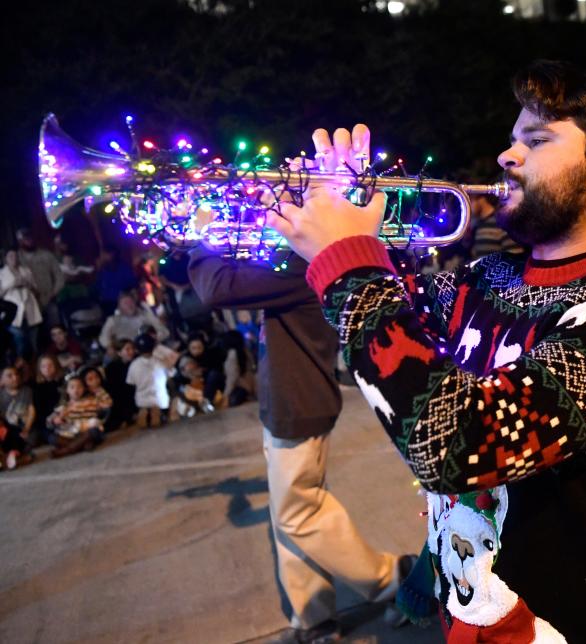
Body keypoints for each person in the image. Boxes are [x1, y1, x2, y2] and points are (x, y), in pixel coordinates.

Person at [269, 60, 586, 643]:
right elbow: (386, 344)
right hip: (475, 606)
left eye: (537, 140)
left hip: (577, 618)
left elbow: (457, 444)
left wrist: (349, 259)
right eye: (513, 138)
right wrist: (339, 217)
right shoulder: (488, 276)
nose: (506, 156)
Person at [189, 236, 412, 644]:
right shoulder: (290, 259)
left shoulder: (297, 262)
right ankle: (314, 616)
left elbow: (216, 288)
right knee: (287, 514)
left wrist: (202, 240)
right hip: (286, 399)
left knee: (299, 514)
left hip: (298, 400)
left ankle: (394, 577)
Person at [15, 228, 64, 329]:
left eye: (30, 238)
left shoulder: (46, 255)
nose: (29, 241)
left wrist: (53, 293)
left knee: (55, 328)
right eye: (25, 239)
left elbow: (59, 276)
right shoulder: (15, 258)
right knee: (34, 334)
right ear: (20, 241)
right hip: (28, 303)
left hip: (48, 299)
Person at [0, 249, 43, 359]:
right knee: (20, 339)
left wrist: (27, 283)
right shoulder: (2, 274)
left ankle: (36, 362)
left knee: (34, 340)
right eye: (10, 256)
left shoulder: (26, 271)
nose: (13, 259)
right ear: (5, 258)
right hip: (13, 311)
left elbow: (36, 289)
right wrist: (12, 284)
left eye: (15, 256)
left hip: (29, 308)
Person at [99, 292, 169, 355]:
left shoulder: (145, 315)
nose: (129, 305)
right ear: (119, 307)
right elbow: (103, 338)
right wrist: (109, 346)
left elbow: (164, 331)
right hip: (127, 354)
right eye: (125, 303)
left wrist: (155, 338)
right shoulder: (113, 320)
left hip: (148, 351)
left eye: (131, 302)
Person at [126, 333, 171, 428]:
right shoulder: (161, 361)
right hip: (161, 400)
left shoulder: (133, 365)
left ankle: (146, 412)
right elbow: (170, 376)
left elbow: (131, 383)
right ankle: (157, 413)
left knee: (144, 403)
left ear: (137, 350)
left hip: (141, 401)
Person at [0, 365, 36, 464]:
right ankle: (11, 458)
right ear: (2, 380)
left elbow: (31, 410)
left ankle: (13, 457)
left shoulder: (26, 390)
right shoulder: (1, 394)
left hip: (23, 428)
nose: (15, 378)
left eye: (16, 375)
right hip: (8, 429)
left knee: (28, 441)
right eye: (9, 376)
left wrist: (27, 428)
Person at [104, 339, 138, 431]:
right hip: (122, 401)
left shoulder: (138, 363)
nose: (131, 352)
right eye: (127, 349)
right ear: (119, 352)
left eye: (132, 349)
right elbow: (116, 393)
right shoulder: (111, 368)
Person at [34, 355, 64, 445]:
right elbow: (38, 412)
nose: (47, 368)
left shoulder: (63, 382)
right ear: (39, 369)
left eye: (50, 365)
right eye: (43, 366)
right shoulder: (37, 388)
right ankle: (78, 443)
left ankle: (70, 446)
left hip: (64, 416)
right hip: (47, 422)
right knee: (53, 439)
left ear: (56, 366)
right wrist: (51, 419)